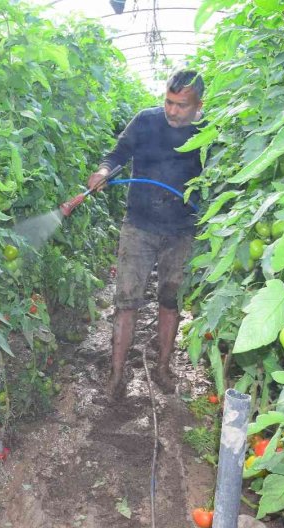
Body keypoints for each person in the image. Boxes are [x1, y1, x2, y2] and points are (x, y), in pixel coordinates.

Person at [86, 68, 205, 396]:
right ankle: (116, 374)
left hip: (182, 230)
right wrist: (104, 171)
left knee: (170, 300)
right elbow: (117, 154)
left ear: (199, 106)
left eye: (181, 105)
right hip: (139, 225)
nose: (172, 111)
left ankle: (163, 367)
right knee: (126, 300)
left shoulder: (208, 133)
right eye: (168, 102)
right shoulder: (145, 121)